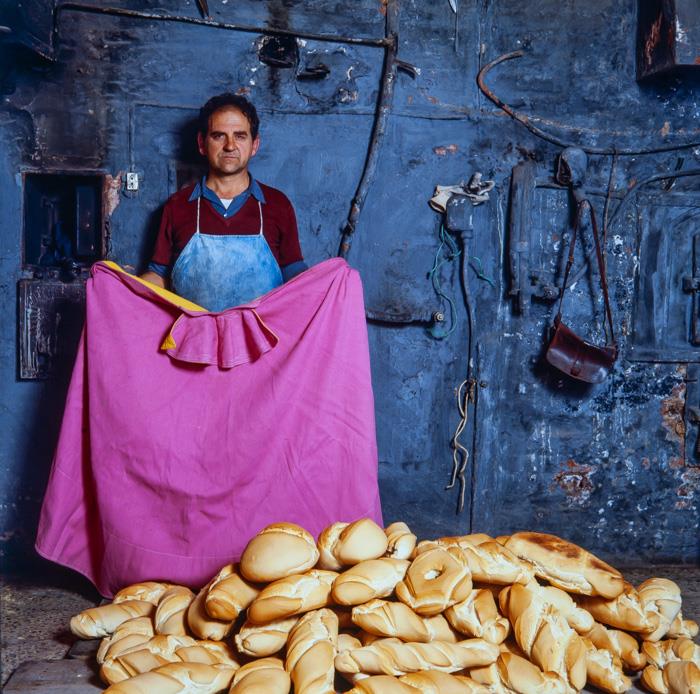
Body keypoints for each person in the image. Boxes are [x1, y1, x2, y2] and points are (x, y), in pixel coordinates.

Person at [141, 93, 307, 311]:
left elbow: (297, 279)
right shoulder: (177, 205)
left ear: (254, 144)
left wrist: (333, 284)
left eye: (240, 136)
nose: (230, 146)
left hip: (260, 340)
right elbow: (158, 276)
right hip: (193, 339)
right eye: (219, 136)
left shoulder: (278, 205)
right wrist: (116, 289)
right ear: (202, 143)